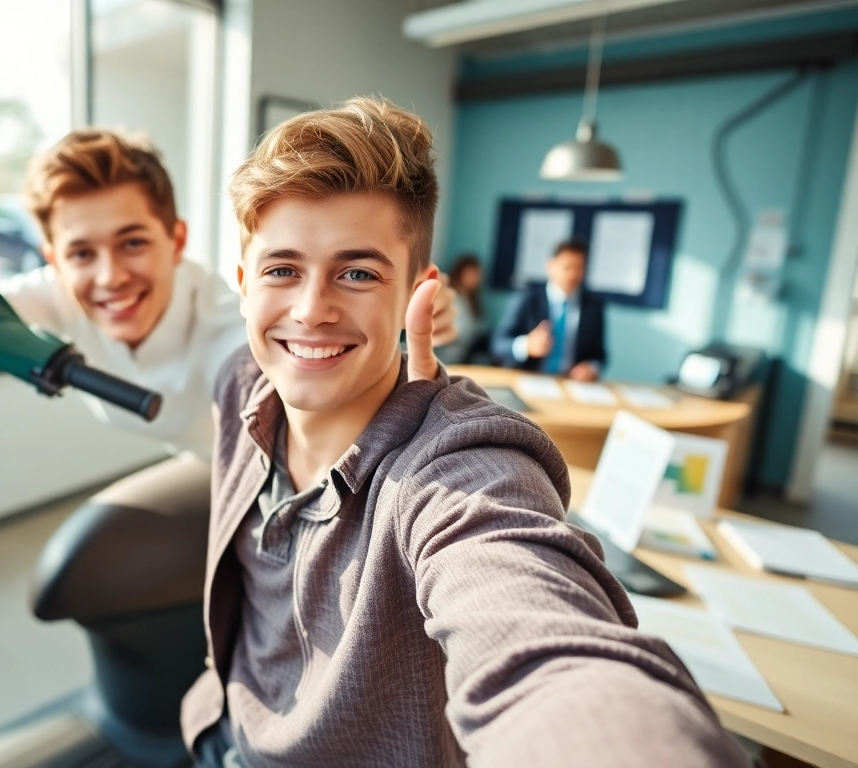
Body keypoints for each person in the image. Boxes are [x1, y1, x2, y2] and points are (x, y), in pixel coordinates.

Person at [184, 97, 748, 768]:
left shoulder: (457, 466)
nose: (312, 310)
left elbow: (543, 646)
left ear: (417, 296)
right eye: (282, 270)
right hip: (217, 733)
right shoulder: (241, 381)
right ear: (245, 285)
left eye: (358, 273)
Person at [0, 129, 459, 524]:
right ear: (54, 259)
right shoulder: (55, 294)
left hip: (279, 476)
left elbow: (302, 373)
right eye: (81, 253)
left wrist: (404, 309)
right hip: (206, 464)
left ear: (175, 240)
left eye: (133, 242)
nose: (110, 277)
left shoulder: (223, 327)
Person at [491, 240, 606, 381]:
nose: (573, 275)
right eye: (567, 267)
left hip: (571, 383)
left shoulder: (594, 306)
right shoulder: (527, 298)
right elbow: (497, 344)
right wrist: (526, 345)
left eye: (579, 268)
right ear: (551, 266)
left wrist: (592, 367)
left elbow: (599, 355)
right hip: (530, 378)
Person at [434, 253, 486, 365]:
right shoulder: (451, 296)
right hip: (448, 356)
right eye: (473, 273)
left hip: (465, 354)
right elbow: (459, 330)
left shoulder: (471, 299)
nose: (477, 278)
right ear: (461, 273)